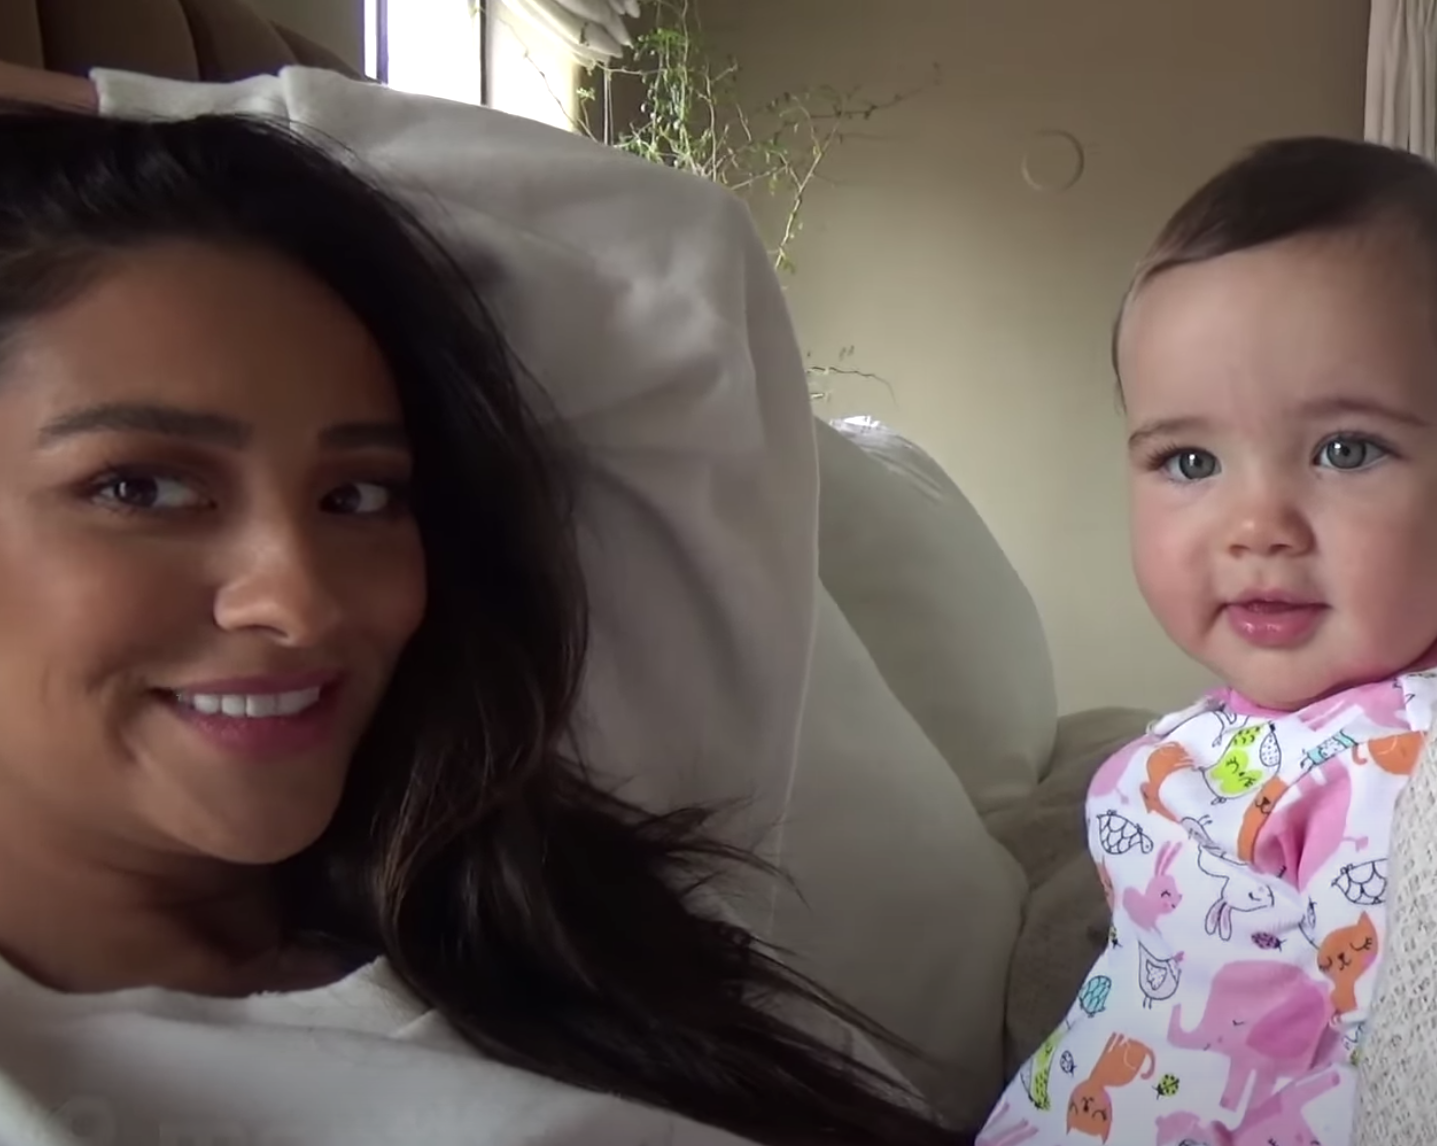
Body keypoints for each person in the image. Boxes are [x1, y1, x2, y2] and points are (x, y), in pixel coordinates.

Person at [0, 90, 962, 1146]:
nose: (303, 599)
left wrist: (98, 115)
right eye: (141, 488)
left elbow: (669, 255)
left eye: (358, 496)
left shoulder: (530, 895)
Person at [979, 138, 1437, 1146]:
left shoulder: (1406, 758)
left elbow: (1424, 1070)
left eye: (1345, 449)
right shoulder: (1216, 740)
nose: (1257, 524)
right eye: (1188, 458)